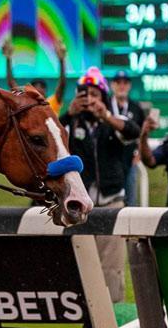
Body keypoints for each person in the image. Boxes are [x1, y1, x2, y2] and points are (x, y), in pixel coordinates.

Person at [60, 67, 140, 303]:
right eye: (84, 94)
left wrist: (105, 116)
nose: (90, 100)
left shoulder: (112, 120)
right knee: (79, 262)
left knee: (111, 266)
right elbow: (51, 138)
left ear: (103, 97)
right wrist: (68, 114)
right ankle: (83, 310)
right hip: (78, 203)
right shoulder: (71, 123)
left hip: (110, 199)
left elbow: (132, 132)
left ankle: (115, 312)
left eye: (95, 94)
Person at [3, 38, 67, 115]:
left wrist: (62, 60)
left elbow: (62, 84)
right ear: (30, 92)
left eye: (42, 87)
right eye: (35, 87)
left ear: (45, 92)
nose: (39, 89)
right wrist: (8, 59)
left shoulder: (52, 103)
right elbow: (11, 83)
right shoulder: (26, 104)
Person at [110, 70, 145, 206]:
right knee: (109, 200)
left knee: (130, 200)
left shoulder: (136, 108)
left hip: (129, 158)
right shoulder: (105, 104)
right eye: (118, 82)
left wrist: (139, 153)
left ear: (129, 85)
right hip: (109, 160)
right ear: (112, 85)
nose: (121, 86)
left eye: (125, 83)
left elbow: (142, 134)